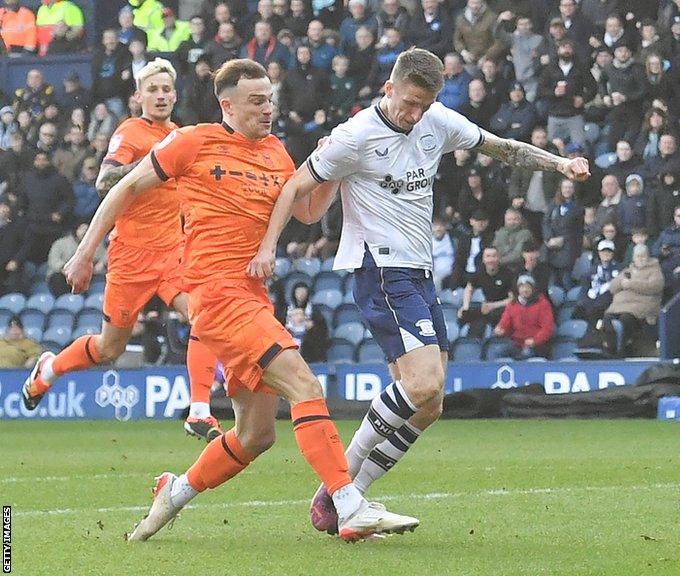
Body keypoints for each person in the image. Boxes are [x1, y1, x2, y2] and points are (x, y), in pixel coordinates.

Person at [57, 58, 420, 542]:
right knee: (304, 384)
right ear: (227, 104)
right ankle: (347, 502)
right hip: (214, 293)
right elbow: (125, 186)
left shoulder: (276, 153)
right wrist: (85, 253)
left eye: (270, 99)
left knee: (256, 435)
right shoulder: (193, 141)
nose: (267, 109)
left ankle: (175, 490)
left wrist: (334, 166)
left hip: (251, 297)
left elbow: (308, 212)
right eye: (256, 101)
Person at [265, 48, 588, 528]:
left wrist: (558, 165)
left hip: (418, 274)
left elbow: (502, 147)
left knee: (430, 404)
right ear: (389, 89)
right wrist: (268, 247)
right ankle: (339, 490)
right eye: (408, 103)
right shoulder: (354, 137)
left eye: (424, 105)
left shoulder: (436, 120)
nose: (414, 115)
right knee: (423, 384)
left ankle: (351, 501)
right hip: (381, 270)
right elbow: (294, 188)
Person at [22, 58, 224, 442]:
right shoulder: (131, 132)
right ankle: (49, 368)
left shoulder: (180, 135)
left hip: (174, 253)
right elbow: (104, 181)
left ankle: (200, 409)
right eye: (153, 89)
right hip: (131, 256)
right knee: (108, 347)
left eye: (167, 89)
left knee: (205, 315)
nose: (161, 95)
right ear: (138, 97)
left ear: (175, 94)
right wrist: (156, 161)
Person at [602, 244, 664, 356]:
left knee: (626, 318)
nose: (640, 259)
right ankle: (610, 348)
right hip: (620, 305)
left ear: (648, 257)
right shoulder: (628, 270)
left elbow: (655, 286)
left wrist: (631, 284)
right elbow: (612, 287)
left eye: (643, 256)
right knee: (607, 318)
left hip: (641, 304)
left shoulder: (654, 270)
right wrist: (621, 282)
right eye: (637, 256)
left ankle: (624, 347)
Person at [492, 274, 555, 359]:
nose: (525, 290)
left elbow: (547, 329)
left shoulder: (543, 304)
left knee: (526, 354)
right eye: (522, 287)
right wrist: (500, 330)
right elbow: (505, 323)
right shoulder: (512, 304)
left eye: (528, 287)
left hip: (537, 345)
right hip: (516, 343)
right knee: (498, 352)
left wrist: (534, 340)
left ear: (533, 289)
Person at [46, 221, 106, 297]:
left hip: (86, 276)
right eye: (82, 229)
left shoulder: (95, 243)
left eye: (87, 229)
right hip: (63, 275)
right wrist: (67, 270)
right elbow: (53, 261)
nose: (84, 232)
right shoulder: (60, 243)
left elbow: (105, 254)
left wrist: (102, 263)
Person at [574, 239, 620, 323]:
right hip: (590, 300)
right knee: (578, 309)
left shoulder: (618, 269)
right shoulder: (593, 269)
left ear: (613, 253)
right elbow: (584, 286)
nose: (606, 254)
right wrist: (583, 301)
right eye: (603, 251)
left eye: (609, 251)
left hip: (605, 303)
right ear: (599, 253)